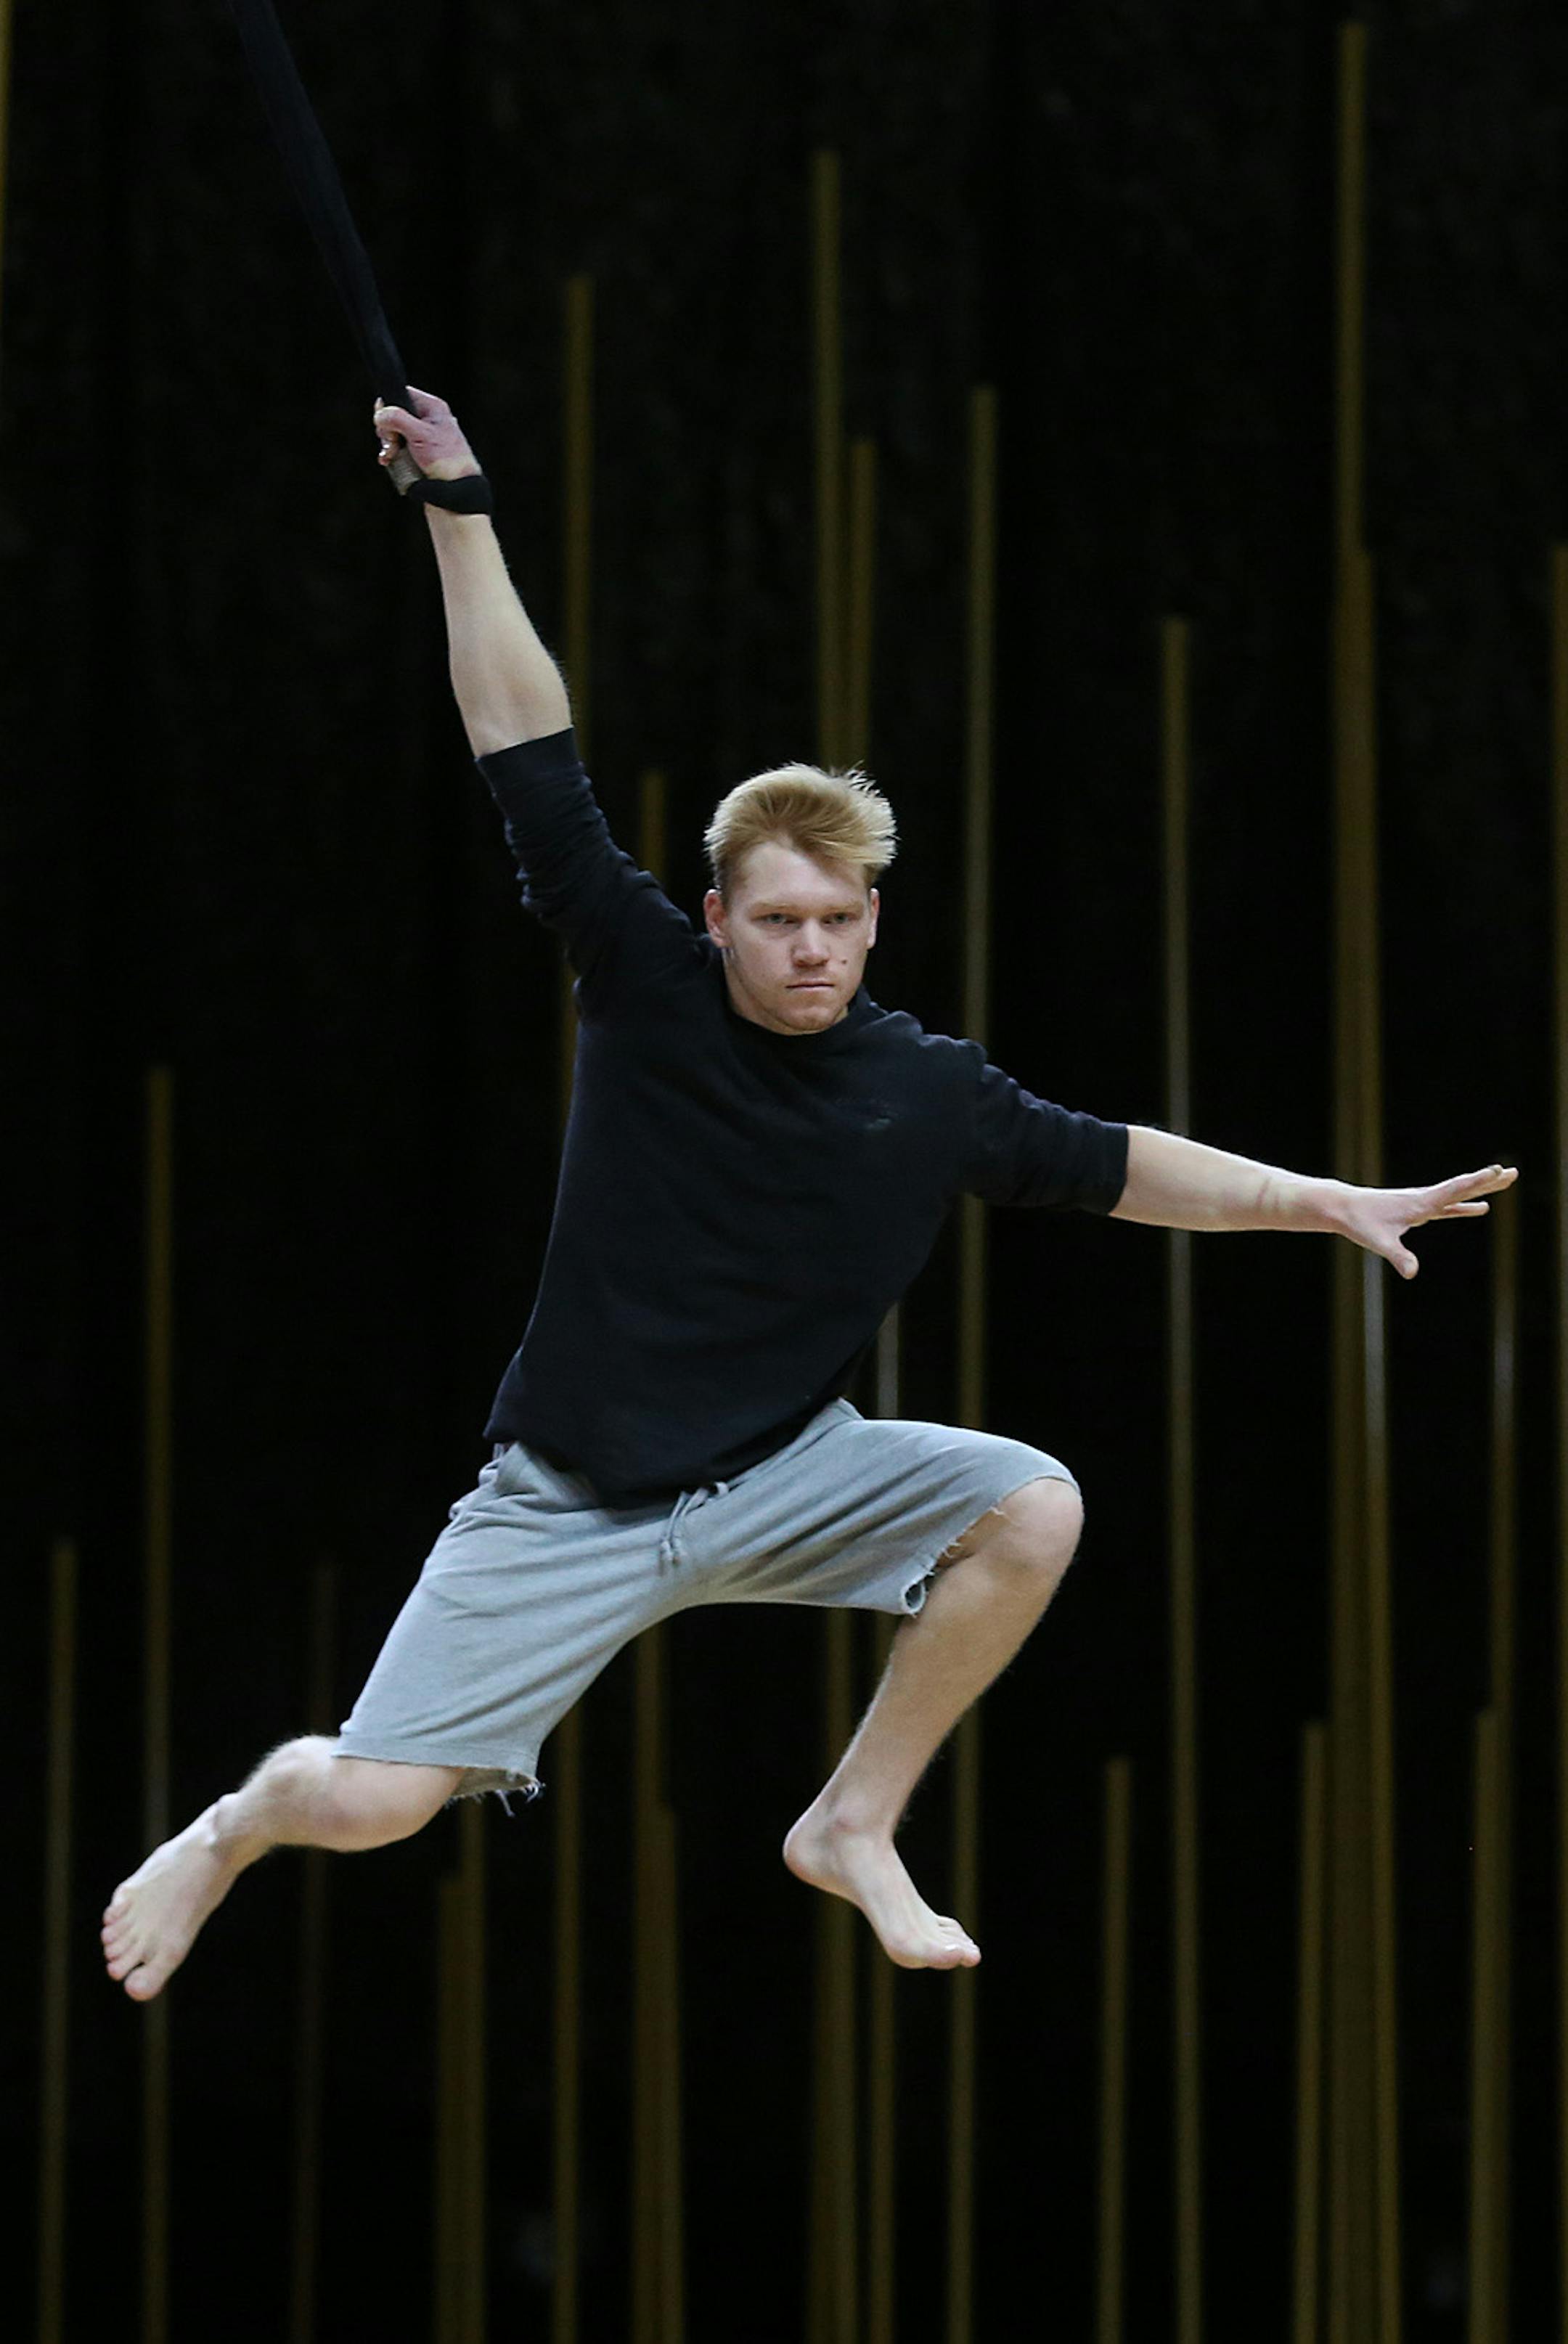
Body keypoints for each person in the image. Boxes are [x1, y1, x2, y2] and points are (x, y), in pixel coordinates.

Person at [102, 389, 1516, 2002]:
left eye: (842, 919)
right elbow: (523, 738)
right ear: (717, 917)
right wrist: (459, 507)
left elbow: (1123, 1162)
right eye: (780, 919)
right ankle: (224, 1830)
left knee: (1030, 1502)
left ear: (870, 923)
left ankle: (853, 1819)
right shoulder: (642, 977)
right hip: (570, 1497)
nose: (815, 948)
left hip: (782, 1473)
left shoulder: (923, 1088)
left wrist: (1331, 1201)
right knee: (364, 1804)